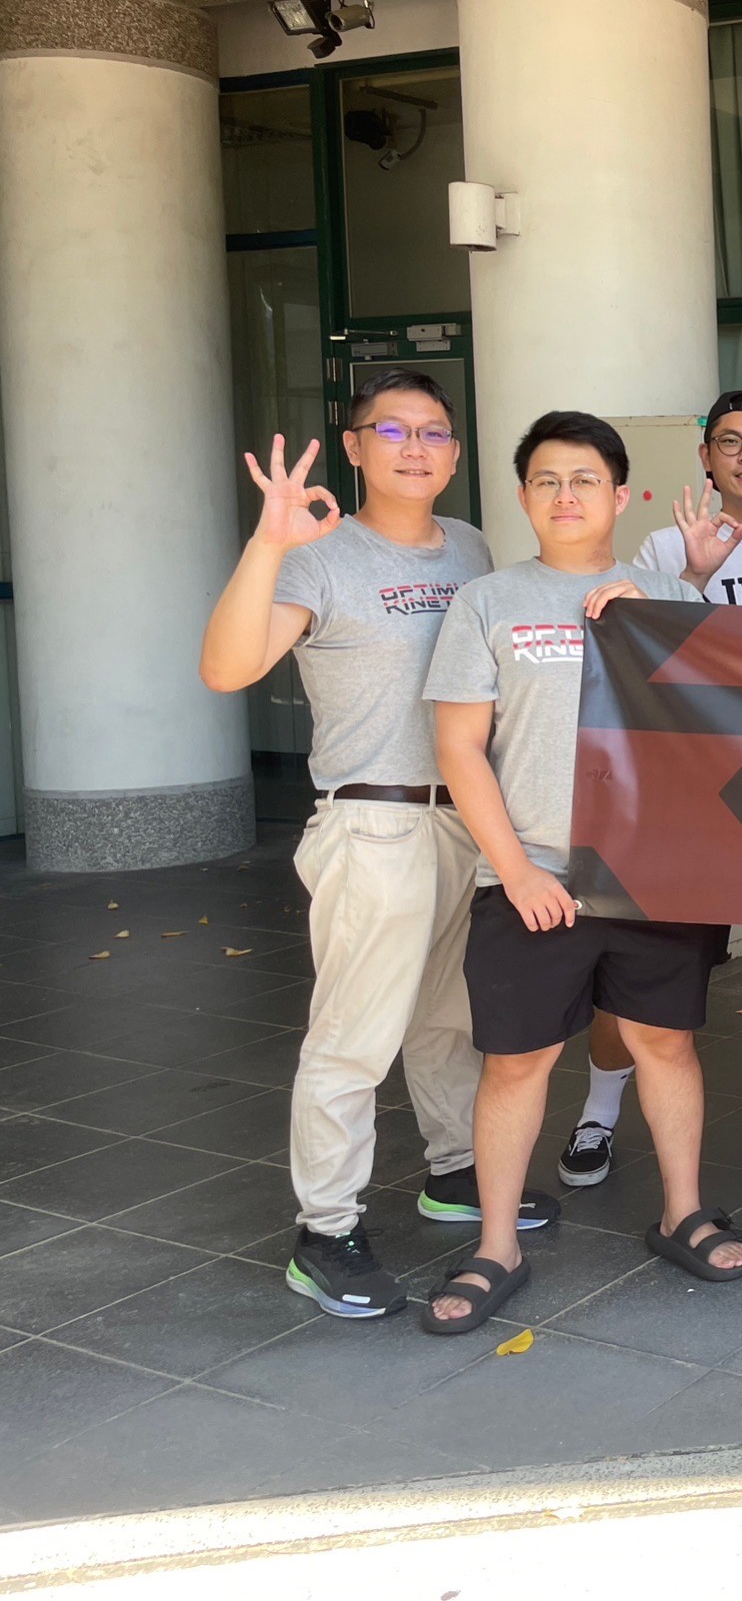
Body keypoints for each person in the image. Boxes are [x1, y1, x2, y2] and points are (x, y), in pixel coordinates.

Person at [422, 412, 742, 1332]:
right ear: (523, 496)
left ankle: (682, 1212)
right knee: (518, 1061)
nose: (566, 496)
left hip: (652, 878)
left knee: (665, 1044)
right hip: (531, 876)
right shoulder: (487, 601)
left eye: (585, 479)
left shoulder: (666, 596)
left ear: (620, 493)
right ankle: (496, 1245)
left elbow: (729, 721)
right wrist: (516, 869)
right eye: (547, 480)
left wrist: (664, 621)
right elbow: (459, 746)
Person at [198, 370, 498, 1319]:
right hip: (374, 821)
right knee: (353, 1039)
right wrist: (269, 541)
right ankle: (325, 1230)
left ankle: (455, 1170)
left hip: (463, 818)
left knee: (449, 1015)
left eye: (434, 431)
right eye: (392, 430)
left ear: (455, 451)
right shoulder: (318, 555)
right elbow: (227, 667)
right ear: (357, 445)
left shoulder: (473, 547)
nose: (416, 447)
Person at [560, 388, 742, 1189]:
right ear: (706, 457)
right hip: (678, 793)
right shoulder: (661, 548)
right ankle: (599, 1113)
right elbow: (631, 661)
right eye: (730, 441)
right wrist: (691, 575)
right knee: (638, 961)